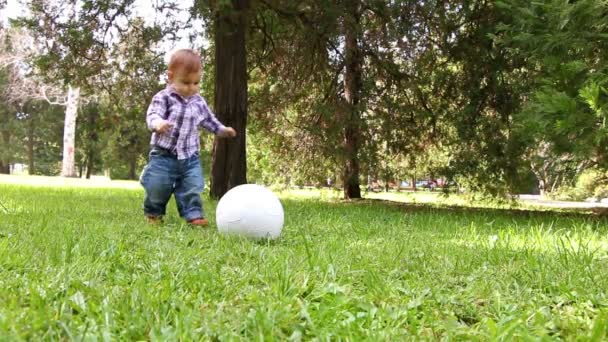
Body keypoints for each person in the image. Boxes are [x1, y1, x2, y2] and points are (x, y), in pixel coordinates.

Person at [140, 49, 236, 226]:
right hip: (164, 155)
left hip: (190, 157)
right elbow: (152, 115)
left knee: (192, 186)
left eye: (196, 82)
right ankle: (153, 213)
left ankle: (193, 215)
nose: (191, 87)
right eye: (185, 82)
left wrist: (222, 130)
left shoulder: (198, 101)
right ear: (170, 77)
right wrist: (158, 123)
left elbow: (208, 120)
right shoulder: (164, 98)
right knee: (157, 186)